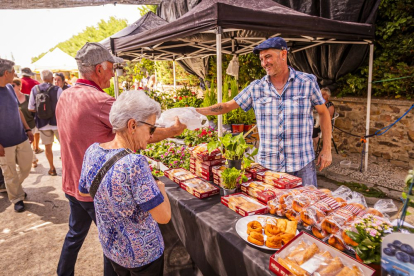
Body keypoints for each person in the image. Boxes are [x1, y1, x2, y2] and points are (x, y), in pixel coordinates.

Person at [55, 42, 186, 276]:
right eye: (111, 68)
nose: (113, 73)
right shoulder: (101, 102)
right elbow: (134, 132)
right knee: (121, 231)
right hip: (108, 186)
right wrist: (172, 132)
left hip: (77, 180)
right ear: (98, 69)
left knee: (83, 235)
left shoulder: (66, 95)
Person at [195, 37, 332, 187]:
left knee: (307, 209)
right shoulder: (256, 88)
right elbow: (227, 106)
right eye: (261, 59)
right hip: (268, 167)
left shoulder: (307, 82)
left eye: (268, 57)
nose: (263, 63)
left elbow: (324, 113)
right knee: (270, 210)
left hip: (302, 166)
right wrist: (195, 111)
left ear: (283, 54)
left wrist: (326, 149)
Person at [79, 90, 170, 275]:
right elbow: (164, 217)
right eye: (151, 128)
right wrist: (161, 189)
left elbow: (83, 192)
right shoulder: (135, 163)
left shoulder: (92, 151)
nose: (152, 135)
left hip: (113, 250)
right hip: (144, 256)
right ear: (132, 125)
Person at [0, 58, 34, 212]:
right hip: (3, 144)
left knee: (26, 167)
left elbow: (18, 110)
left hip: (21, 137)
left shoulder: (9, 87)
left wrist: (27, 129)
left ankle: (13, 187)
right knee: (10, 172)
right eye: (13, 71)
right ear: (6, 73)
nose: (15, 74)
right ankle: (17, 198)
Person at [28, 70, 62, 176]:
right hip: (57, 122)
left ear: (42, 78)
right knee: (63, 146)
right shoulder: (57, 89)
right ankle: (65, 167)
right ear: (52, 78)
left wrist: (41, 111)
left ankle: (52, 168)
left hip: (42, 123)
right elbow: (62, 106)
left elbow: (31, 108)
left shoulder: (35, 89)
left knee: (48, 147)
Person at [12, 78, 39, 168]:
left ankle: (32, 160)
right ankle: (33, 159)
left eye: (13, 85)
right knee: (24, 145)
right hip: (18, 126)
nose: (11, 88)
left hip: (30, 124)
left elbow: (34, 110)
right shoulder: (11, 99)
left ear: (19, 86)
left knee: (27, 144)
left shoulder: (27, 97)